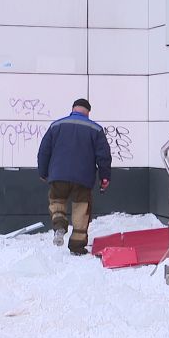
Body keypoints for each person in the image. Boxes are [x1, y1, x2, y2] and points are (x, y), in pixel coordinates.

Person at [37, 98, 112, 255]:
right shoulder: (95, 129)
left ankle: (59, 225)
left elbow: (44, 151)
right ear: (88, 112)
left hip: (58, 175)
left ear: (72, 109)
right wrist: (105, 177)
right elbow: (104, 156)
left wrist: (43, 172)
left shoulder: (56, 125)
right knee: (81, 209)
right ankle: (77, 247)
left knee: (57, 201)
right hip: (83, 178)